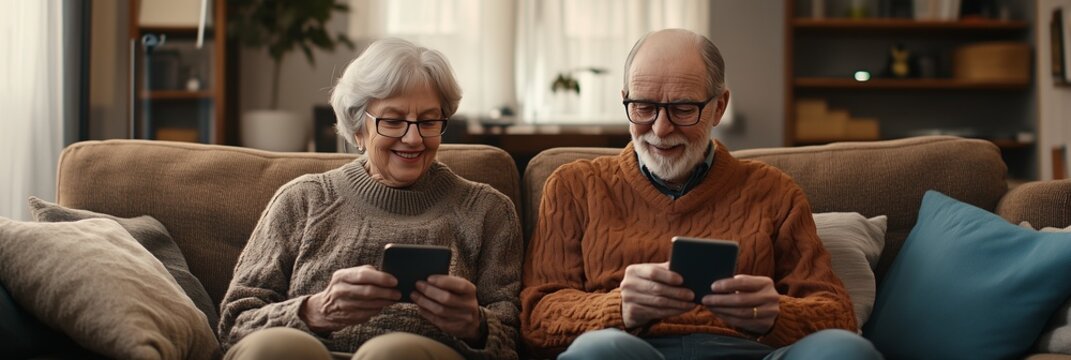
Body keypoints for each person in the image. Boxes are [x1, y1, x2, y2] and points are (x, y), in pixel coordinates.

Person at [520, 29, 882, 360]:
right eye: (644, 107)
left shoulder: (775, 191)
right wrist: (618, 308)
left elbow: (837, 314)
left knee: (846, 350)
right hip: (628, 350)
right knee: (599, 350)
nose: (661, 130)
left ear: (718, 107)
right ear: (625, 100)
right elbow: (537, 316)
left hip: (749, 351)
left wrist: (775, 313)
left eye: (683, 109)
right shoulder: (573, 187)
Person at [218, 38, 522, 360]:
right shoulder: (302, 200)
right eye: (392, 121)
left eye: (429, 121)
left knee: (392, 353)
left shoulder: (487, 211)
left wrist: (475, 326)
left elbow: (510, 342)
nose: (413, 138)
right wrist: (315, 311)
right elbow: (235, 323)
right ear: (357, 127)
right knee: (276, 347)